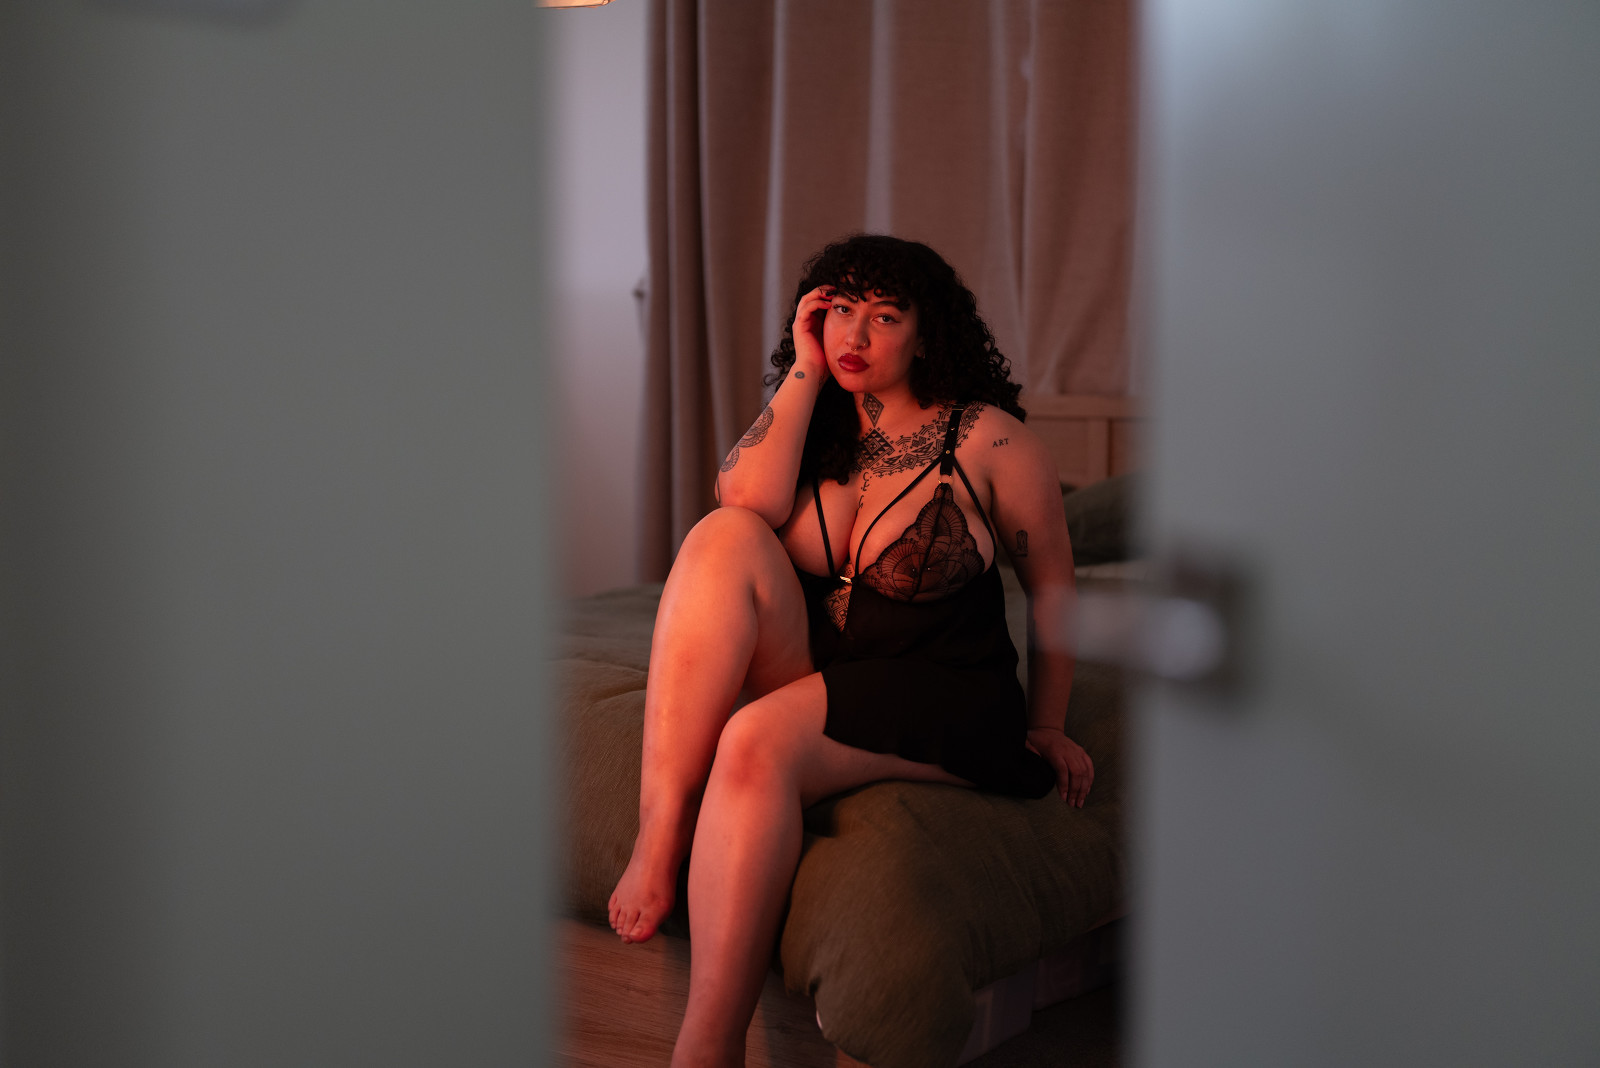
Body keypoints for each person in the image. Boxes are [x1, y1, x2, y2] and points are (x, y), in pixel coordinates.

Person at [608, 234, 1093, 1067]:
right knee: (722, 535)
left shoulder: (991, 441)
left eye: (884, 317)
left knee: (753, 739)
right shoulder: (815, 426)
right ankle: (661, 829)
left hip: (947, 690)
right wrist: (803, 370)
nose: (855, 336)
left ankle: (706, 1049)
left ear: (926, 335)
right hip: (829, 670)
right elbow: (743, 499)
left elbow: (1053, 592)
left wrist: (1047, 724)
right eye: (838, 312)